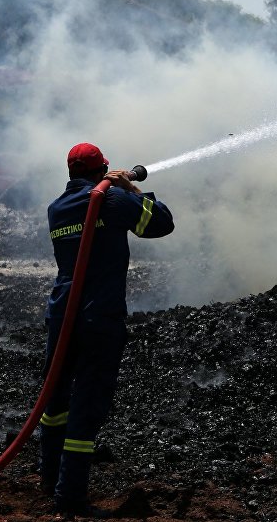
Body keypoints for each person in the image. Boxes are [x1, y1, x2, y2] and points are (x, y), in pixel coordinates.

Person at [40, 143, 174, 518]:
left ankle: (50, 479)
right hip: (99, 314)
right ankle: (70, 496)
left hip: (62, 311)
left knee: (56, 400)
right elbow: (161, 224)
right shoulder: (112, 200)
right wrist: (131, 189)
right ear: (103, 170)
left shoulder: (57, 208)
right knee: (89, 402)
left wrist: (111, 188)